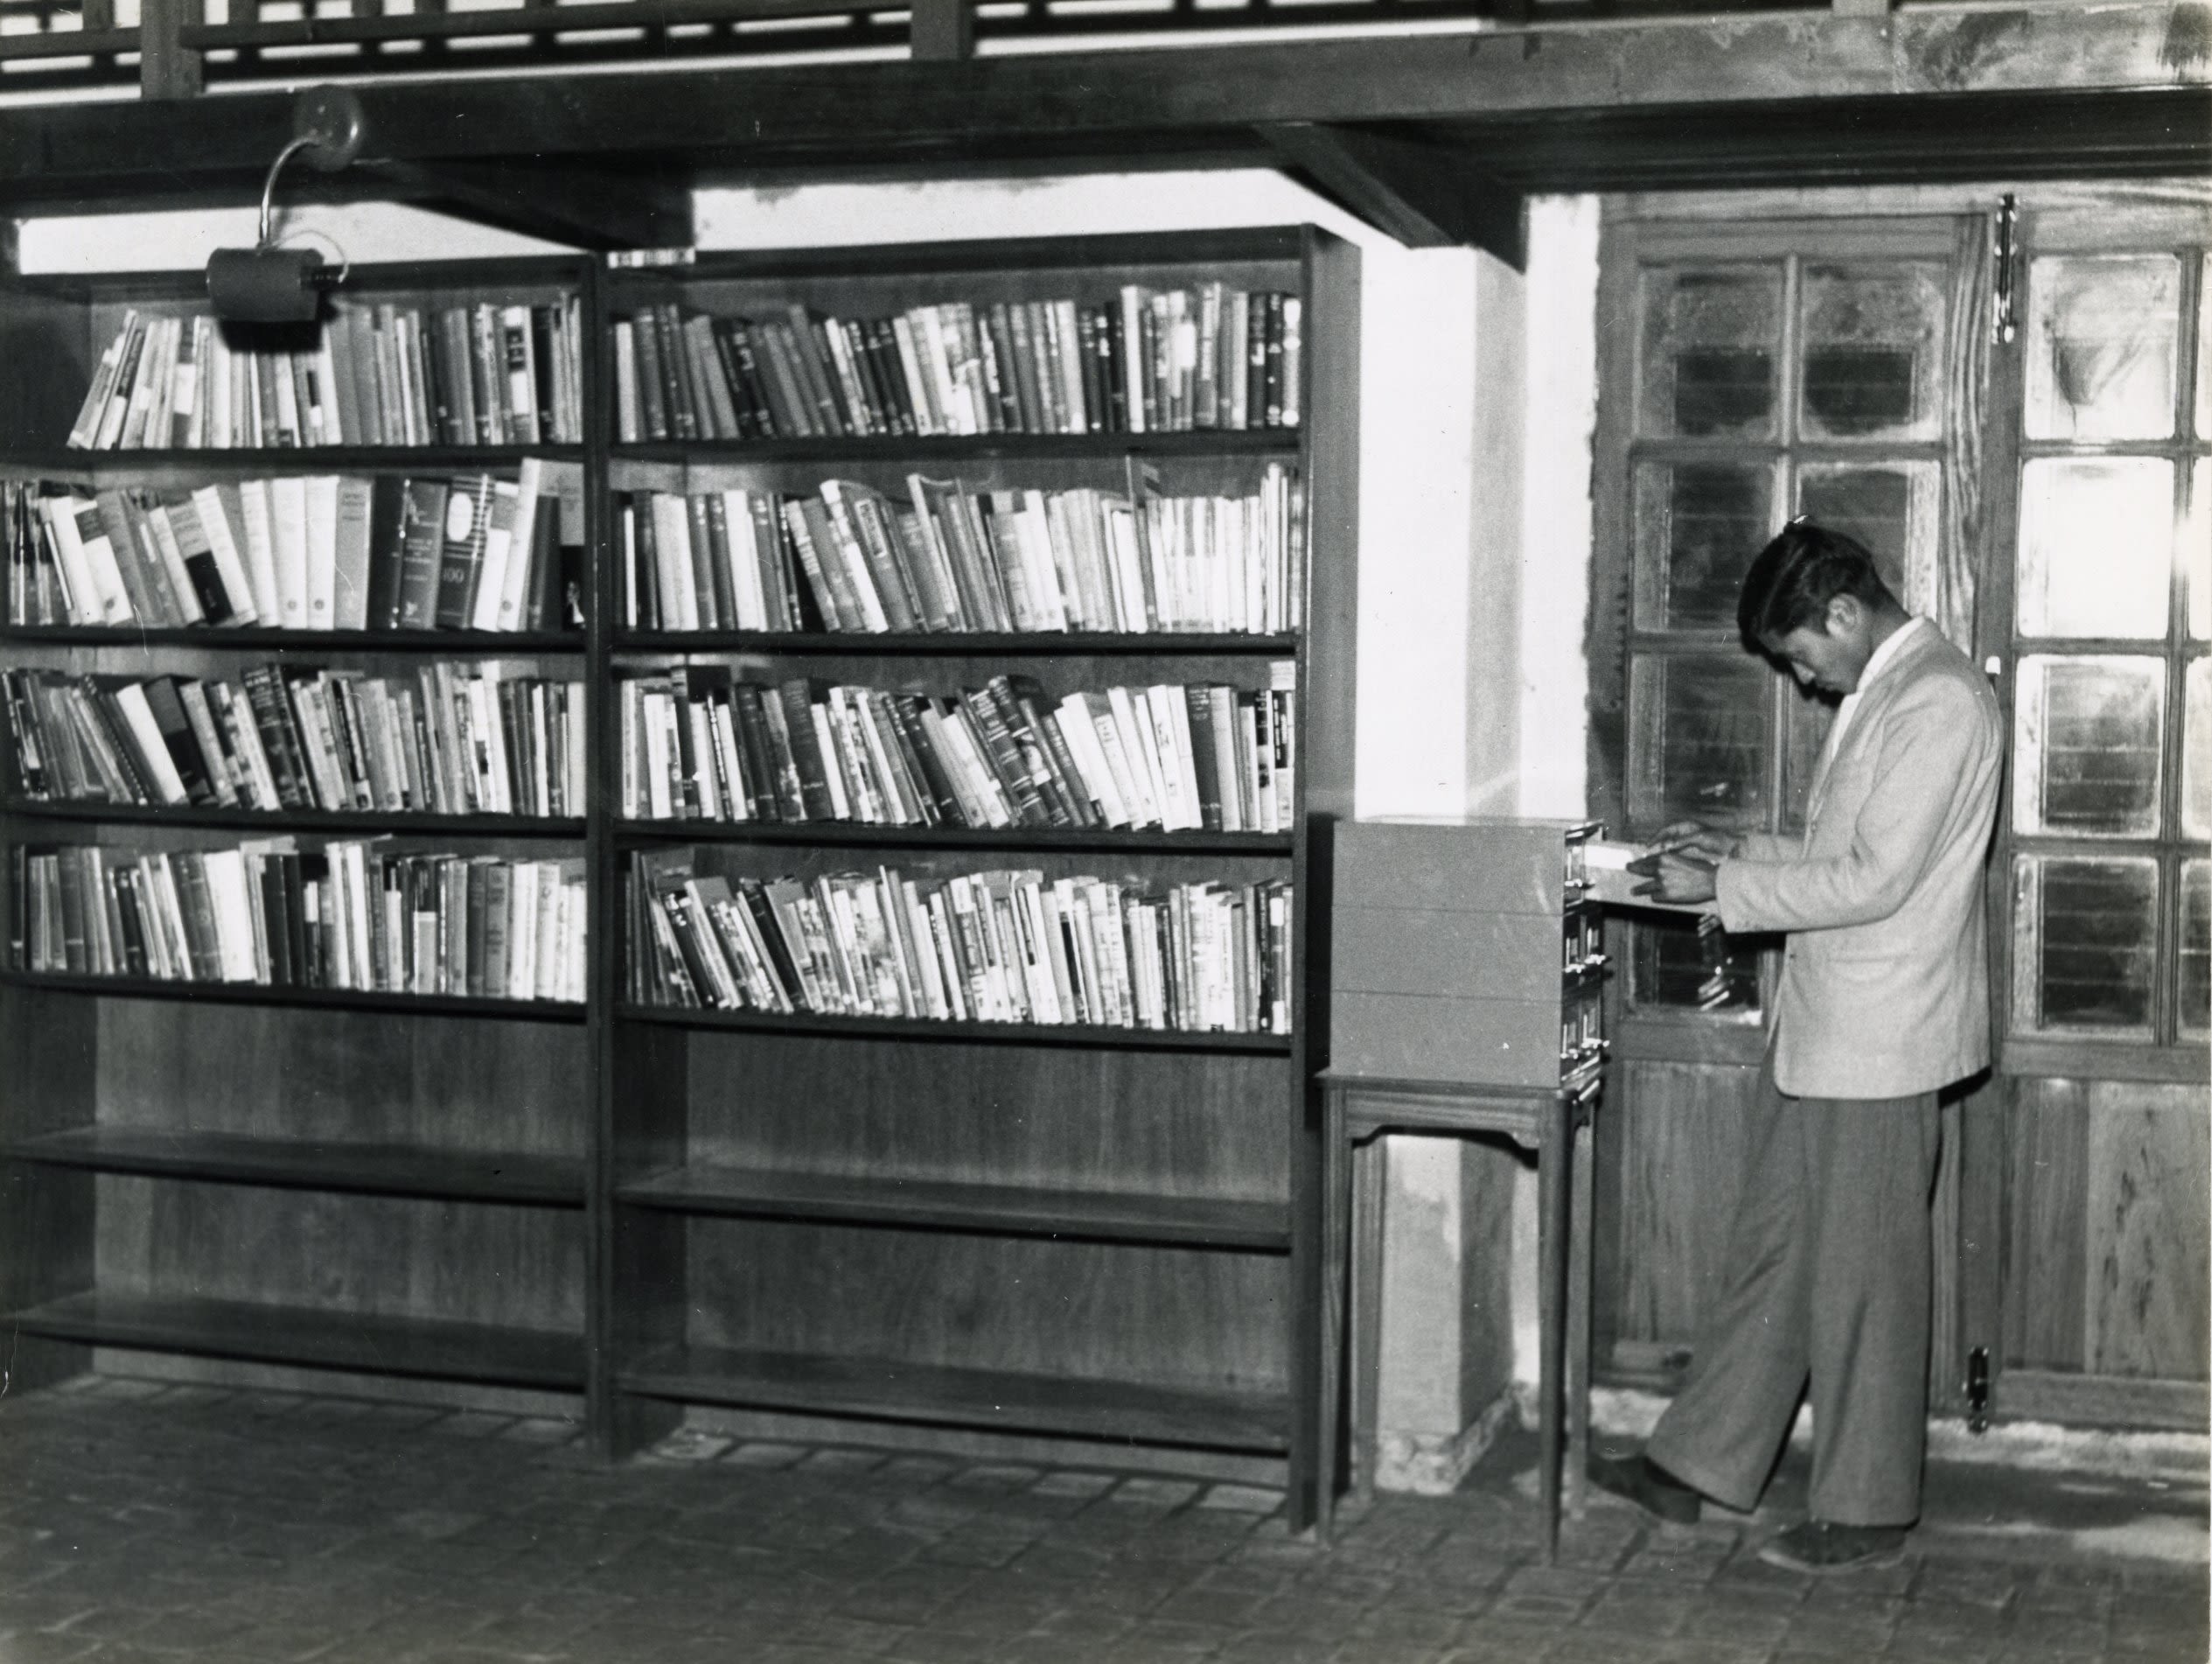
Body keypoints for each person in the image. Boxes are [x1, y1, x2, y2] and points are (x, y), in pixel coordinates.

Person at [1592, 520, 2003, 1573]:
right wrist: (1735, 851)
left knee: (1863, 1280)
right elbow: (1841, 854)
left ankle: (1869, 1508)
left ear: (1844, 613)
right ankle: (1694, 1465)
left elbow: (1875, 883)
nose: (1803, 678)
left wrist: (1724, 891)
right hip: (1827, 1033)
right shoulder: (1894, 690)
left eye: (1800, 655)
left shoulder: (1941, 700)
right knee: (1776, 1252)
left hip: (1881, 1041)